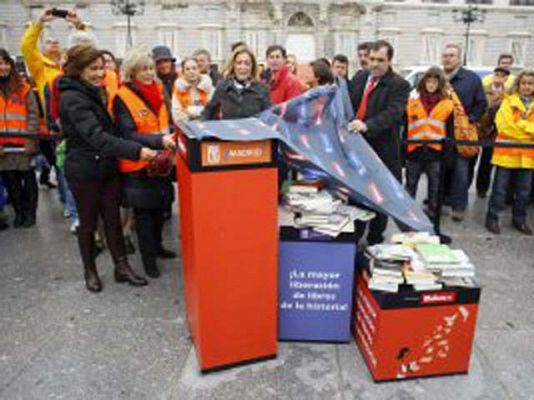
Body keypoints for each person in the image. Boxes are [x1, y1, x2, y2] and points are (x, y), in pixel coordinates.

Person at [59, 45, 155, 292]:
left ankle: (121, 267)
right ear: (78, 70)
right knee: (88, 224)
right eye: (94, 69)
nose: (101, 73)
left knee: (113, 221)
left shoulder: (94, 91)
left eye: (102, 67)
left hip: (106, 168)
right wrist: (136, 150)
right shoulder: (72, 97)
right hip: (84, 172)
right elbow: (97, 137)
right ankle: (89, 271)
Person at [113, 47, 178, 279]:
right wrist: (159, 140)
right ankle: (148, 260)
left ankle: (158, 247)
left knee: (161, 208)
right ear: (133, 72)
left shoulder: (158, 90)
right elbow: (127, 134)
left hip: (161, 162)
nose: (150, 73)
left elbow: (164, 122)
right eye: (144, 69)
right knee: (144, 216)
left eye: (151, 68)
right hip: (138, 164)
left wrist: (168, 139)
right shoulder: (123, 97)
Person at [348, 40, 410, 245]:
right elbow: (347, 105)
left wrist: (367, 125)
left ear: (389, 61)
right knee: (357, 199)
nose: (374, 64)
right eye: (371, 59)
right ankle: (354, 239)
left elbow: (393, 114)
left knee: (381, 201)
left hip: (383, 154)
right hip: (357, 154)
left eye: (380, 60)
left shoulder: (399, 85)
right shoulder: (359, 78)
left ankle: (375, 242)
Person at [21, 7, 86, 189]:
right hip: (56, 125)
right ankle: (69, 206)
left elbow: (86, 47)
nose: (54, 44)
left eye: (57, 41)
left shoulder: (71, 64)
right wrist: (39, 22)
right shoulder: (40, 67)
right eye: (49, 42)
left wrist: (78, 25)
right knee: (62, 166)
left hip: (78, 120)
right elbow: (27, 46)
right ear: (43, 48)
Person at [441, 44, 487, 221]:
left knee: (461, 171)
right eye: (445, 55)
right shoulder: (437, 77)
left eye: (452, 55)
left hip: (462, 134)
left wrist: (470, 120)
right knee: (441, 169)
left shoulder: (471, 79)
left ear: (459, 58)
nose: (448, 58)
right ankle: (439, 199)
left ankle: (458, 205)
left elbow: (481, 103)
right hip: (441, 132)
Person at [486, 70, 534, 235]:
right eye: (524, 83)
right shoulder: (507, 102)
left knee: (523, 192)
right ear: (518, 84)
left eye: (530, 83)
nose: (527, 86)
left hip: (527, 157)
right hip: (505, 154)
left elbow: (513, 127)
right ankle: (492, 219)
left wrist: (519, 125)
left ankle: (519, 220)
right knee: (499, 190)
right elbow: (503, 125)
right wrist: (528, 129)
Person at [404, 67, 454, 219]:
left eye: (435, 82)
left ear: (440, 84)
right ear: (423, 82)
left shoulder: (447, 104)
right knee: (410, 184)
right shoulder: (412, 102)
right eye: (428, 81)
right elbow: (405, 128)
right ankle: (408, 213)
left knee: (435, 185)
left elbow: (450, 131)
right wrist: (404, 150)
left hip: (436, 151)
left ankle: (433, 213)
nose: (431, 84)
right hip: (415, 150)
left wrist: (448, 154)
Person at [0, 48, 39, 228]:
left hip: (23, 143)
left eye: (6, 62)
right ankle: (19, 212)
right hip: (3, 146)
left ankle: (30, 212)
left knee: (28, 179)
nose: (3, 67)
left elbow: (33, 114)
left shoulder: (23, 88)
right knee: (11, 182)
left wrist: (31, 138)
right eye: (0, 63)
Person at [202, 46, 271, 120]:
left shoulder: (262, 89)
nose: (242, 67)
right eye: (239, 63)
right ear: (233, 65)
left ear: (252, 67)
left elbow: (268, 118)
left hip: (254, 130)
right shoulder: (223, 87)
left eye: (247, 64)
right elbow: (208, 112)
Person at [476, 67, 511, 198]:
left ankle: (483, 188)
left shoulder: (508, 94)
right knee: (473, 161)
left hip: (495, 133)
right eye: (497, 75)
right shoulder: (484, 89)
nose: (499, 78)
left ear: (506, 78)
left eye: (502, 76)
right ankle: (475, 187)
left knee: (488, 161)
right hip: (480, 128)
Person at [171, 57, 213, 122]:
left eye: (194, 68)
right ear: (183, 72)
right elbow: (176, 115)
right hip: (186, 129)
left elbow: (213, 110)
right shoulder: (178, 89)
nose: (191, 71)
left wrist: (189, 111)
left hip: (206, 127)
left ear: (199, 70)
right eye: (187, 69)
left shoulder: (208, 87)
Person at [331, 54, 354, 121]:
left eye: (343, 68)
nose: (339, 70)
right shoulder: (327, 85)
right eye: (337, 67)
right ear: (332, 68)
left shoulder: (351, 86)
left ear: (347, 70)